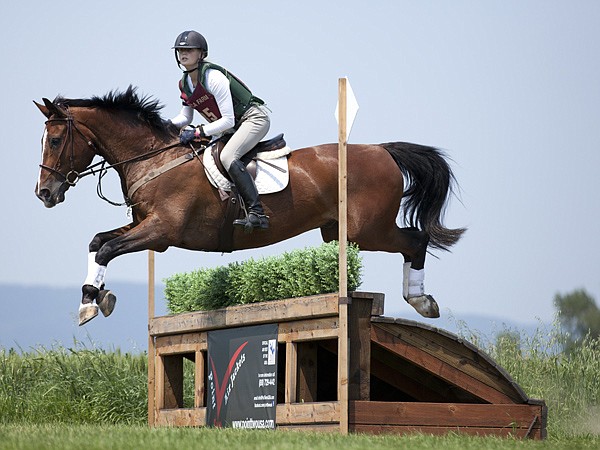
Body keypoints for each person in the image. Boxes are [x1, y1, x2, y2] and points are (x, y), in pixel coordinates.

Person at [169, 30, 270, 230]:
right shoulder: (184, 84)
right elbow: (185, 117)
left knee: (228, 157)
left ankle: (257, 213)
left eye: (189, 49)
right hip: (228, 129)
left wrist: (198, 132)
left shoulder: (213, 77)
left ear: (201, 53)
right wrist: (166, 125)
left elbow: (228, 121)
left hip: (252, 119)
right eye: (180, 49)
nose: (183, 53)